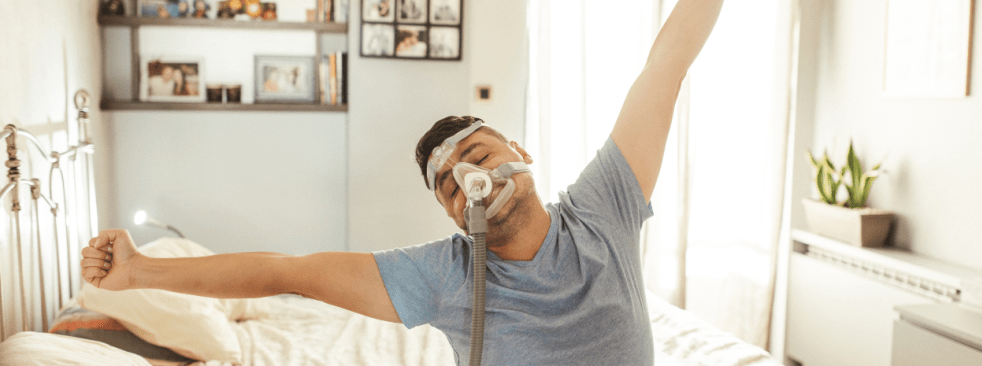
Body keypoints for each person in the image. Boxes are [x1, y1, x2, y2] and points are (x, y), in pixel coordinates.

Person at [81, 0, 724, 364]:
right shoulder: (445, 278)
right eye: (448, 186)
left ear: (520, 152)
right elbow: (287, 271)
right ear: (453, 216)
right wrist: (138, 274)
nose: (468, 178)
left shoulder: (602, 207)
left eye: (476, 152)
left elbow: (666, 62)